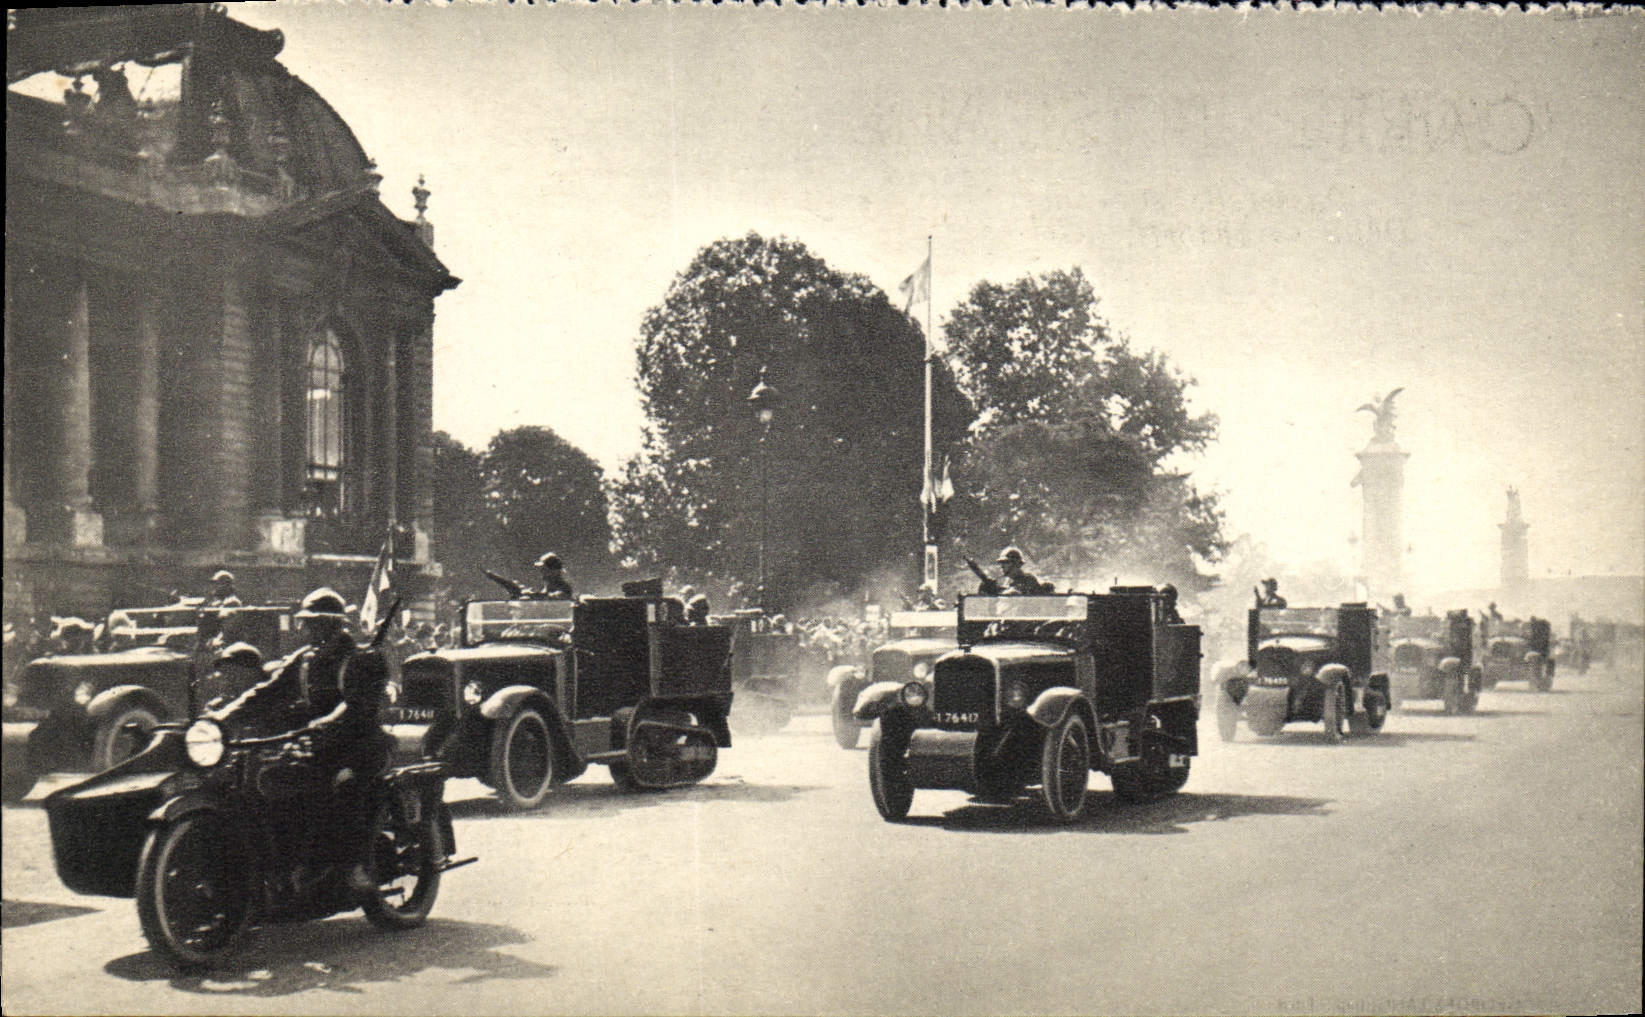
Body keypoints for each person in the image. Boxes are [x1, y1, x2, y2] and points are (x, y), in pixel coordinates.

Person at [205, 587, 392, 895]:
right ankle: (289, 863)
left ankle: (354, 863)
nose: (305, 628)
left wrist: (326, 723)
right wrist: (223, 717)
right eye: (306, 621)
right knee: (273, 781)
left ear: (331, 624)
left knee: (345, 786)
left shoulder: (361, 659)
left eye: (313, 622)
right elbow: (266, 691)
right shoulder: (304, 659)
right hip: (315, 743)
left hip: (359, 744)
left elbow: (357, 705)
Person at [965, 547, 1048, 596]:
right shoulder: (1006, 582)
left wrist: (1003, 592)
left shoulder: (1028, 579)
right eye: (1001, 563)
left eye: (1005, 563)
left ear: (1016, 564)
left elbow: (1016, 595)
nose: (1002, 566)